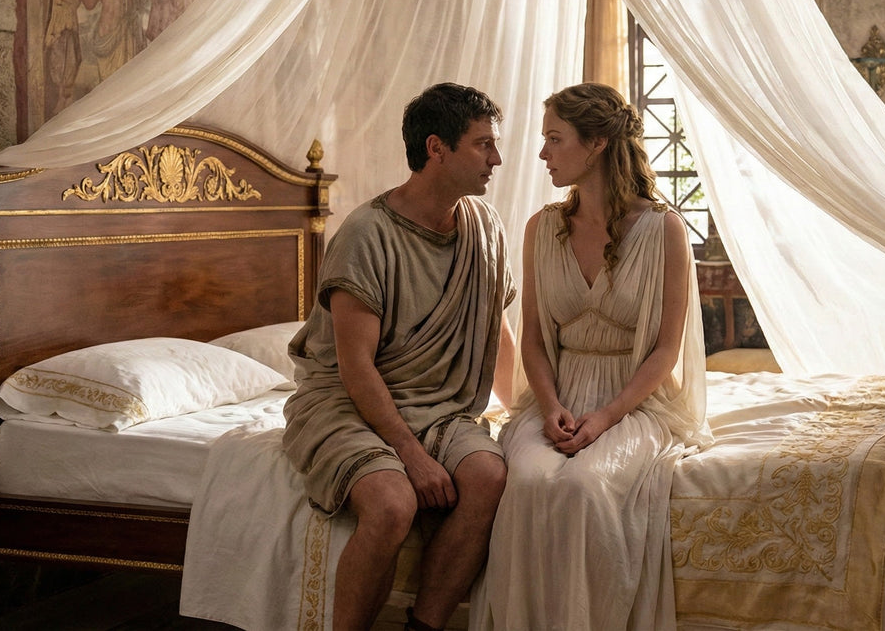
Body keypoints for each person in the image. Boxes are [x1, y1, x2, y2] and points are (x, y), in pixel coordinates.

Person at [473, 82, 709, 630]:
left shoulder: (664, 230)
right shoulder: (542, 229)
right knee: (529, 480)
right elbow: (533, 337)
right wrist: (549, 403)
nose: (541, 153)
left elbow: (664, 350)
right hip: (555, 394)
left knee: (583, 486)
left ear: (597, 143)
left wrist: (606, 417)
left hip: (633, 400)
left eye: (555, 139)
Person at [283, 82, 517, 631]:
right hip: (346, 402)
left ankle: (424, 626)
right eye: (483, 144)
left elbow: (493, 329)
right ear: (437, 149)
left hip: (441, 404)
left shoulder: (485, 228)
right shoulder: (366, 234)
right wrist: (411, 456)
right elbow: (354, 366)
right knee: (392, 504)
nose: (497, 158)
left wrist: (525, 410)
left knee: (487, 476)